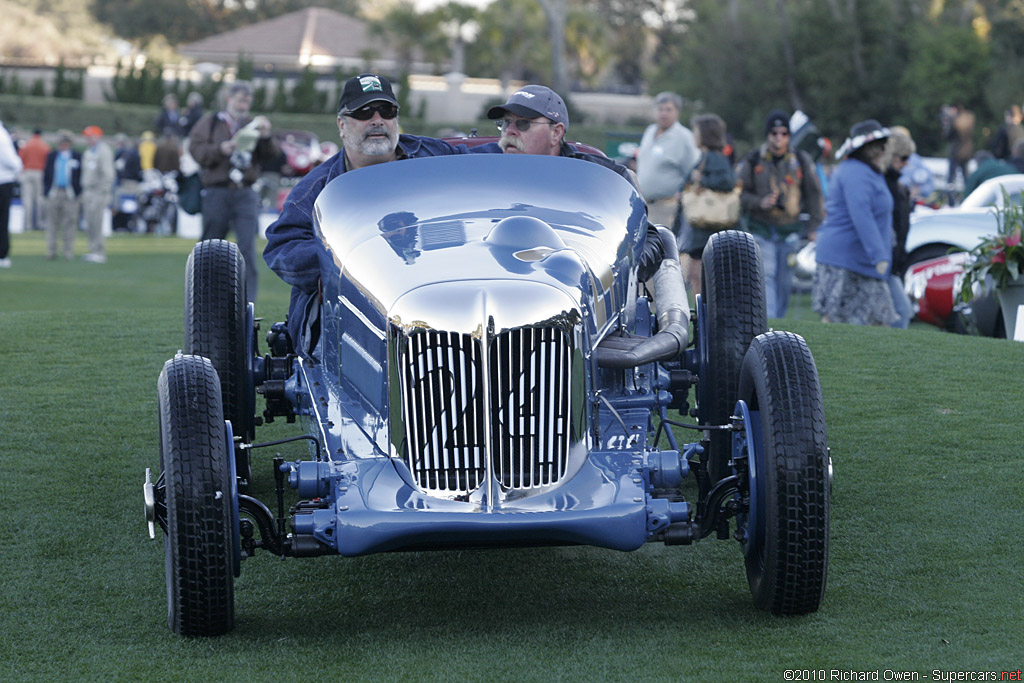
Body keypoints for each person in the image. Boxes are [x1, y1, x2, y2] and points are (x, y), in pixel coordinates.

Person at [264, 73, 470, 357]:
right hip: (351, 315)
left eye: (387, 111)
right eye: (363, 112)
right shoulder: (317, 188)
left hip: (439, 302)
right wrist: (343, 261)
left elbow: (493, 164)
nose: (377, 120)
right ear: (342, 125)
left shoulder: (436, 156)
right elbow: (281, 246)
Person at [190, 81, 280, 302]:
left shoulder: (254, 124)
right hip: (216, 191)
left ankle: (248, 302)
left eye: (248, 100)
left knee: (247, 249)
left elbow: (273, 156)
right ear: (229, 98)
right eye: (241, 99)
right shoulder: (210, 122)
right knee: (209, 248)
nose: (244, 104)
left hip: (245, 192)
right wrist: (220, 149)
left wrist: (267, 136)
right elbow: (196, 150)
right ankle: (204, 299)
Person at [737, 109, 824, 319]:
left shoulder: (801, 160)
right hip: (761, 228)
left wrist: (814, 226)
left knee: (785, 282)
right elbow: (739, 194)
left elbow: (814, 195)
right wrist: (760, 202)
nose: (779, 137)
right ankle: (771, 322)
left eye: (784, 133)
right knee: (766, 276)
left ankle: (780, 320)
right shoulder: (753, 159)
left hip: (790, 231)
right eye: (774, 133)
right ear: (767, 134)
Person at [812, 119, 898, 326]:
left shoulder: (868, 172)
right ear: (867, 149)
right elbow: (862, 216)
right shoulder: (856, 173)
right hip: (846, 260)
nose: (884, 151)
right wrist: (879, 256)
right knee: (838, 324)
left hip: (860, 260)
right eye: (879, 146)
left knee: (874, 323)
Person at [677, 113, 737, 295]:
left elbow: (727, 181)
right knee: (696, 275)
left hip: (706, 227)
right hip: (702, 228)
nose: (694, 135)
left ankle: (705, 315)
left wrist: (702, 180)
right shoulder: (705, 157)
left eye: (696, 131)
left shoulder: (714, 157)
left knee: (699, 275)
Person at [635, 92, 700, 233]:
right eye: (660, 109)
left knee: (662, 249)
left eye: (668, 109)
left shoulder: (684, 137)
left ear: (677, 112)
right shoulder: (650, 130)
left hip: (667, 208)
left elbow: (693, 172)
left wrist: (683, 194)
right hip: (643, 205)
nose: (664, 114)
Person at [883, 129, 917, 328]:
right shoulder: (884, 183)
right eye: (903, 157)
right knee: (902, 312)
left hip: (893, 261)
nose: (906, 163)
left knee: (898, 313)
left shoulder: (896, 184)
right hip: (885, 261)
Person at [42, 132, 82, 261]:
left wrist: (77, 192)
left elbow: (80, 175)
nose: (62, 146)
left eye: (65, 143)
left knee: (69, 223)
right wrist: (46, 191)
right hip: (54, 192)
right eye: (60, 143)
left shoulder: (76, 156)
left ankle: (68, 251)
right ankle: (51, 250)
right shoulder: (52, 156)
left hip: (70, 194)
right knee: (52, 223)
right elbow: (46, 175)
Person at [80, 125, 115, 263]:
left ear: (97, 136)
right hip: (88, 191)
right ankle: (93, 249)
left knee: (97, 221)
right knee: (90, 222)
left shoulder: (103, 151)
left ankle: (99, 251)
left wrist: (103, 191)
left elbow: (108, 174)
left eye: (90, 136)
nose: (87, 139)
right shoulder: (89, 151)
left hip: (97, 192)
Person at [18, 127, 50, 232]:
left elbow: (20, 159)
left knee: (27, 200)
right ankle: (40, 223)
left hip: (27, 172)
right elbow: (48, 162)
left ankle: (27, 225)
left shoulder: (27, 144)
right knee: (39, 199)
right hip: (39, 172)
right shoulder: (44, 146)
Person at [0, 119, 22, 268]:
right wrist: (18, 165)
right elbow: (11, 161)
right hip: (3, 180)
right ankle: (2, 253)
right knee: (2, 219)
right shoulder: (2, 135)